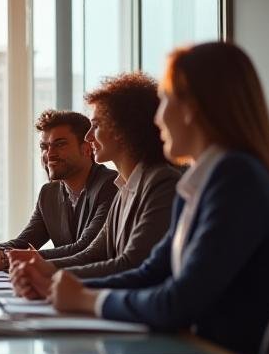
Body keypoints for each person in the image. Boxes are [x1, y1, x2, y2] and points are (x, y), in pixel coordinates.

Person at [43, 42, 269, 354]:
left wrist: (86, 299)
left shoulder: (237, 178)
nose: (158, 118)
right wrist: (66, 288)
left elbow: (179, 301)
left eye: (165, 101)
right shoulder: (199, 184)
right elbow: (153, 271)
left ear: (192, 107)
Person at [11, 72, 181, 299]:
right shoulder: (125, 188)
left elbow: (130, 264)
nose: (89, 137)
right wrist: (44, 269)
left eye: (96, 125)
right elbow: (93, 254)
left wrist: (51, 277)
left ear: (123, 131)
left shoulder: (161, 183)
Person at [0, 110, 118, 271]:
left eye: (60, 144)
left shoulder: (111, 185)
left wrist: (6, 258)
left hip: (96, 287)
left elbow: (84, 249)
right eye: (44, 146)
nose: (49, 154)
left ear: (86, 149)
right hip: (56, 286)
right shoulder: (49, 193)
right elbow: (24, 242)